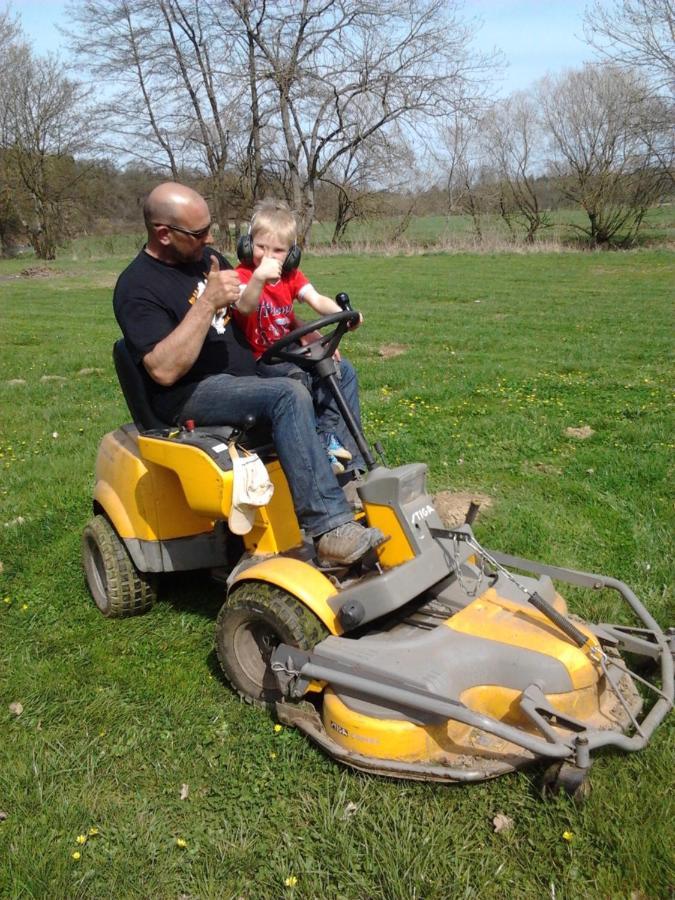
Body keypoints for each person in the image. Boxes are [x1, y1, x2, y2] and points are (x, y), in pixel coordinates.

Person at [112, 182, 383, 567]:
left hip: (249, 373)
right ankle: (329, 528)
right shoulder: (137, 287)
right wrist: (207, 302)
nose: (210, 239)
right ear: (163, 234)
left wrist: (312, 337)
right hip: (192, 392)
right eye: (199, 232)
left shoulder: (208, 258)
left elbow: (259, 315)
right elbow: (163, 370)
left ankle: (342, 478)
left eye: (210, 230)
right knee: (287, 394)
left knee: (336, 371)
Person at [233, 200, 366, 476]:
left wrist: (345, 313)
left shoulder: (291, 276)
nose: (268, 256)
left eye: (278, 250)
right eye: (261, 247)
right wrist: (259, 277)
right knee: (298, 378)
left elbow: (316, 300)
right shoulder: (243, 275)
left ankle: (345, 456)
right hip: (261, 360)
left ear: (291, 254)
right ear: (248, 245)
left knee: (343, 371)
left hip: (290, 350)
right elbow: (245, 306)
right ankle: (319, 444)